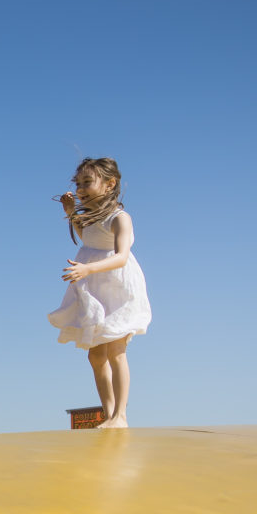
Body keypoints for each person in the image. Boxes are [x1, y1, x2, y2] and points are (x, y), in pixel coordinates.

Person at [48, 157, 151, 428]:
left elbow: (121, 257)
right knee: (95, 354)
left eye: (87, 182)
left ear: (109, 184)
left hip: (117, 284)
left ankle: (121, 416)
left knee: (116, 350)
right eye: (78, 183)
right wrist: (72, 213)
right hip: (94, 286)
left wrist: (88, 270)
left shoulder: (120, 218)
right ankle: (108, 413)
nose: (81, 188)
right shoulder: (91, 218)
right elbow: (88, 239)